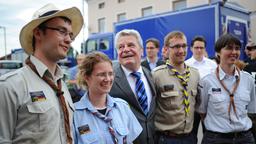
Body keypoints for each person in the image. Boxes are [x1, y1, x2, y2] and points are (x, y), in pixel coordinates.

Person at [0, 3, 83, 144]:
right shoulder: (10, 86)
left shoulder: (62, 85)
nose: (69, 40)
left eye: (70, 34)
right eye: (62, 31)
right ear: (38, 33)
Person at [196, 34, 256, 144]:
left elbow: (251, 111)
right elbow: (202, 112)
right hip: (216, 139)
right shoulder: (207, 81)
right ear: (218, 52)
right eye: (229, 48)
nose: (234, 52)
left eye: (237, 48)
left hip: (245, 138)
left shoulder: (248, 80)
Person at [73, 52, 142, 144]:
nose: (108, 79)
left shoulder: (122, 107)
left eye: (110, 74)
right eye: (102, 74)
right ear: (87, 77)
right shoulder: (75, 114)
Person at [109, 29, 156, 144]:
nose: (125, 49)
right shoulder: (109, 78)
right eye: (120, 47)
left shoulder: (150, 74)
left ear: (141, 50)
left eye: (131, 45)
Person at [152, 31, 200, 144]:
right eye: (176, 46)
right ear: (166, 49)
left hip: (190, 138)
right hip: (167, 139)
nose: (181, 51)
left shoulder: (195, 74)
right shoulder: (156, 75)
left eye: (184, 46)